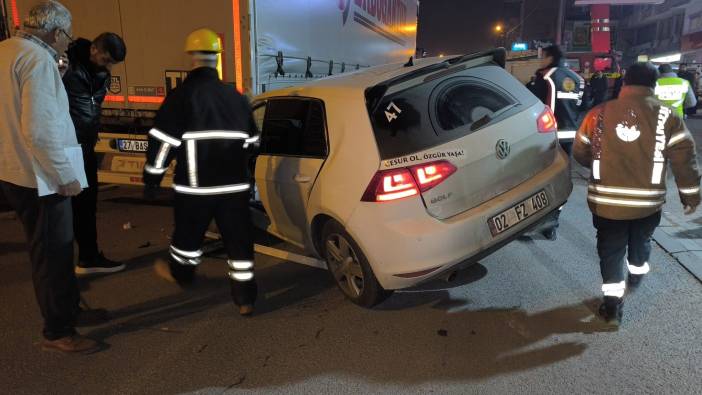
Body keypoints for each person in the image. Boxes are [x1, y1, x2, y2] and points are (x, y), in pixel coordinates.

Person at [0, 1, 103, 353]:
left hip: (13, 170)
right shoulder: (37, 60)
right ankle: (59, 329)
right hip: (41, 177)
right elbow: (40, 131)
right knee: (53, 253)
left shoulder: (7, 51)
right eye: (67, 38)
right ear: (56, 32)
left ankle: (70, 309)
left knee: (48, 249)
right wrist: (64, 175)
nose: (67, 45)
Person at [573, 62, 700, 325]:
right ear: (654, 86)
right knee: (641, 241)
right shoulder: (668, 116)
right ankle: (637, 273)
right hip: (647, 204)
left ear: (624, 82)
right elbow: (684, 160)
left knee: (610, 250)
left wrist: (599, 165)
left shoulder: (598, 113)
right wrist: (691, 196)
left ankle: (612, 306)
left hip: (606, 203)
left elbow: (581, 151)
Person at [143, 28, 258, 316]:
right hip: (234, 188)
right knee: (239, 243)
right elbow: (253, 142)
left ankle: (182, 275)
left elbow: (163, 143)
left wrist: (152, 178)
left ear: (191, 58)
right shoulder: (235, 96)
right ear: (217, 58)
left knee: (188, 237)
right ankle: (245, 299)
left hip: (196, 188)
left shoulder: (182, 96)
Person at [63, 32, 127, 275]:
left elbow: (90, 106)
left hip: (84, 144)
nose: (109, 66)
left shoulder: (99, 73)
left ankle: (88, 257)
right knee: (67, 207)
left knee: (86, 205)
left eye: (112, 63)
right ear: (93, 50)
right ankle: (75, 261)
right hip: (67, 145)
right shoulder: (67, 65)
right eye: (106, 60)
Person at [528, 45, 585, 240]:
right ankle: (553, 222)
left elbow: (534, 105)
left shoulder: (546, 77)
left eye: (542, 56)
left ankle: (537, 220)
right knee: (561, 178)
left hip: (548, 136)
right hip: (570, 136)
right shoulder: (577, 79)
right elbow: (584, 105)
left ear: (549, 57)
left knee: (541, 179)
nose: (540, 60)